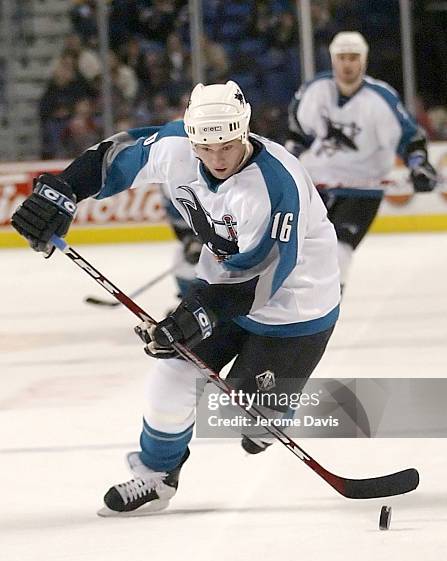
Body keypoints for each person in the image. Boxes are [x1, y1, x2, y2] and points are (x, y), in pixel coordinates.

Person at [11, 81, 340, 515]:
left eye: (227, 145)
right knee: (172, 375)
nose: (218, 159)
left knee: (254, 423)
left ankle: (274, 407)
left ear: (244, 130)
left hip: (296, 306)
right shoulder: (177, 148)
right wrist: (63, 192)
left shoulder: (275, 185)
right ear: (191, 139)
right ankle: (156, 476)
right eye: (206, 147)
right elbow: (112, 157)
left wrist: (194, 317)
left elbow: (261, 281)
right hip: (224, 288)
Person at [286, 31, 437, 292]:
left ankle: (327, 305)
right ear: (333, 60)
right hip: (316, 186)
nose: (347, 64)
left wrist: (419, 164)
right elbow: (297, 136)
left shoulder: (381, 99)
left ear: (363, 60)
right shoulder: (314, 91)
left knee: (340, 248)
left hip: (362, 190)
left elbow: (411, 139)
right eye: (342, 57)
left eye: (353, 57)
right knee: (302, 252)